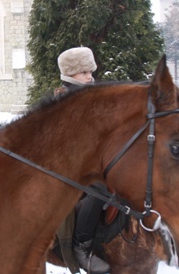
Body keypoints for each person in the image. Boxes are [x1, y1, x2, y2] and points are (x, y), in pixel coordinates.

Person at [55, 47, 110, 274]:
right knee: (100, 189)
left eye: (90, 70)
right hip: (68, 170)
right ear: (70, 74)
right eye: (83, 72)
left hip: (94, 163)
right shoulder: (64, 102)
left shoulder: (92, 99)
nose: (89, 76)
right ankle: (82, 246)